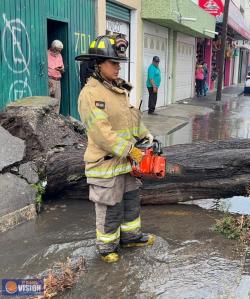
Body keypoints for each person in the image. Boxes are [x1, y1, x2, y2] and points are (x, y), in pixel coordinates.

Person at [75, 35, 155, 263]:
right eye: (113, 63)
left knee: (130, 201)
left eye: (119, 63)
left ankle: (131, 237)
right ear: (98, 64)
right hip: (106, 163)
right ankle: (107, 247)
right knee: (110, 208)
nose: (118, 67)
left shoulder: (118, 90)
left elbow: (130, 119)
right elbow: (102, 133)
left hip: (124, 164)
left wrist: (146, 134)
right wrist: (131, 150)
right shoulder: (91, 94)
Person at [48, 40, 64, 112]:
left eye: (60, 50)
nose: (59, 52)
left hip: (58, 80)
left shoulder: (59, 56)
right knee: (49, 101)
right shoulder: (46, 54)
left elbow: (62, 69)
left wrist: (61, 69)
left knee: (57, 101)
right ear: (53, 48)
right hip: (50, 80)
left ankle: (56, 118)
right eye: (58, 50)